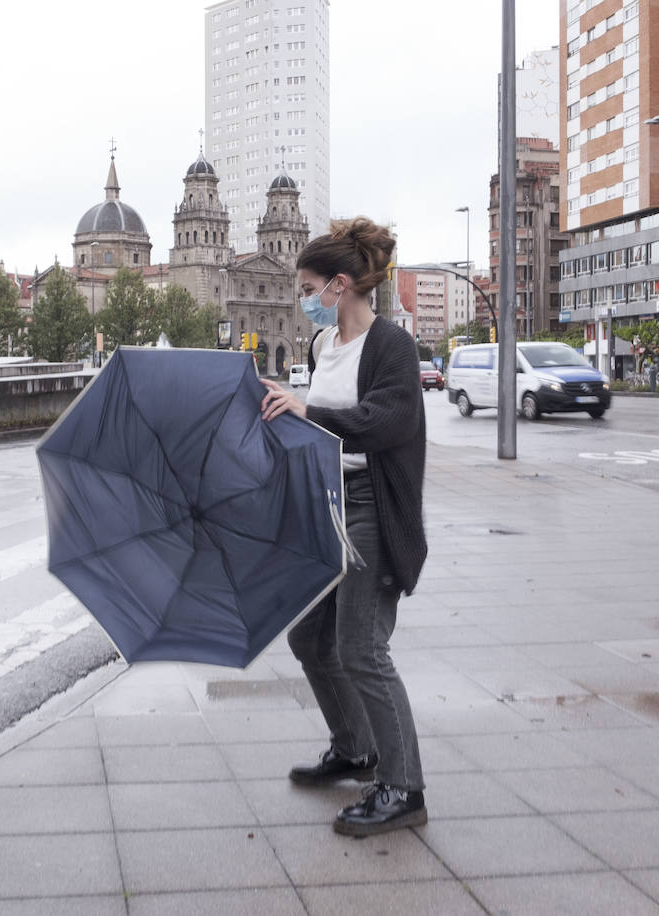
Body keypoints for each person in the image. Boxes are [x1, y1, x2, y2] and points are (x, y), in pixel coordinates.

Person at [258, 217, 428, 837]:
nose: (303, 301)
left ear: (338, 285)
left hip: (373, 506)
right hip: (326, 503)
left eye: (308, 288)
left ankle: (403, 786)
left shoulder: (390, 346)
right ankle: (355, 748)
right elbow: (321, 423)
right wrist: (281, 411)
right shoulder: (321, 347)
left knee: (362, 647)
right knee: (310, 639)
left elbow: (386, 422)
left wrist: (311, 410)